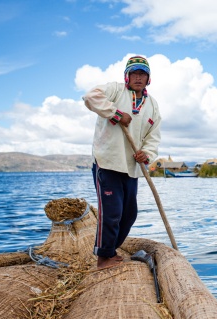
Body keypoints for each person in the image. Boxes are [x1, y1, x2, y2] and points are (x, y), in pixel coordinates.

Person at [83, 55, 162, 269]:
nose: (138, 77)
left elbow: (153, 137)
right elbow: (90, 97)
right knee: (112, 211)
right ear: (127, 77)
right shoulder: (115, 90)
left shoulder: (152, 106)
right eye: (134, 73)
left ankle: (111, 249)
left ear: (148, 79)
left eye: (142, 74)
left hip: (131, 167)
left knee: (129, 214)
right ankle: (103, 257)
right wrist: (115, 114)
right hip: (108, 162)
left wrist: (146, 153)